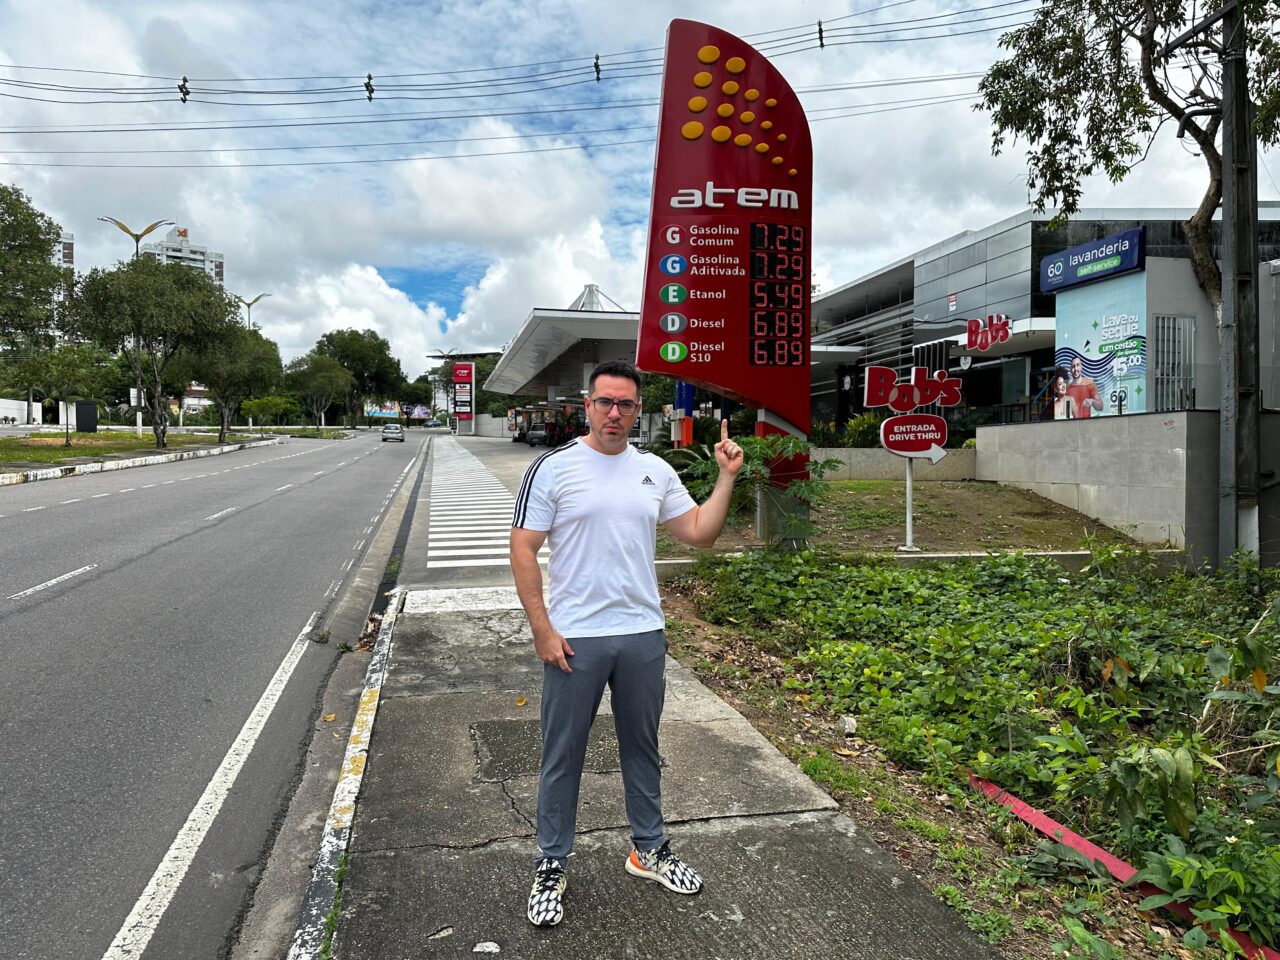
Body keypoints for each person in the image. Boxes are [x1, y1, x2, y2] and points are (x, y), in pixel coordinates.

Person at [510, 359, 744, 928]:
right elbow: (523, 549)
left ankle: (649, 849)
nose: (615, 413)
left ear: (639, 412)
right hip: (576, 639)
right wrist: (542, 628)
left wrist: (726, 477)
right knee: (562, 754)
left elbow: (699, 535)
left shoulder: (655, 470)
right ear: (586, 405)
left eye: (626, 404)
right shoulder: (553, 468)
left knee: (643, 747)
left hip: (642, 633)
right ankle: (552, 861)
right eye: (605, 402)